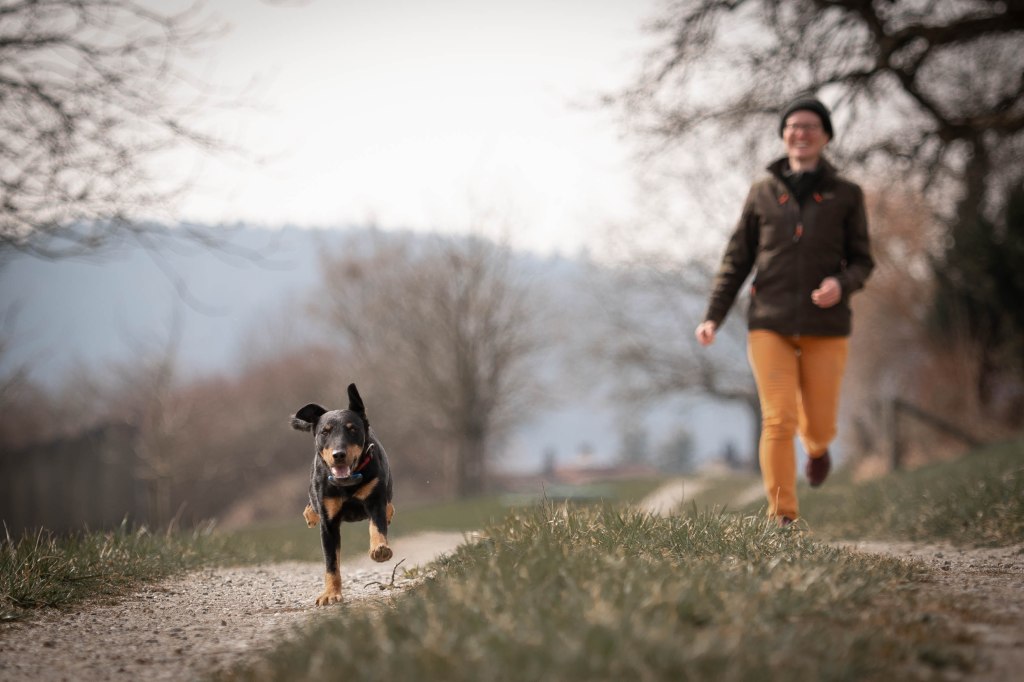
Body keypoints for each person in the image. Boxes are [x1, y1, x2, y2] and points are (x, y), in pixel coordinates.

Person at [694, 97, 874, 527]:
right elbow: (737, 259)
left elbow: (863, 261)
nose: (801, 132)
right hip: (769, 322)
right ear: (783, 135)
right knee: (777, 418)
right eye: (793, 125)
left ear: (826, 136)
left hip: (825, 326)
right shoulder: (762, 192)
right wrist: (713, 316)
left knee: (820, 424)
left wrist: (841, 284)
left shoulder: (846, 194)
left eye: (811, 126)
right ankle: (782, 518)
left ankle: (817, 448)